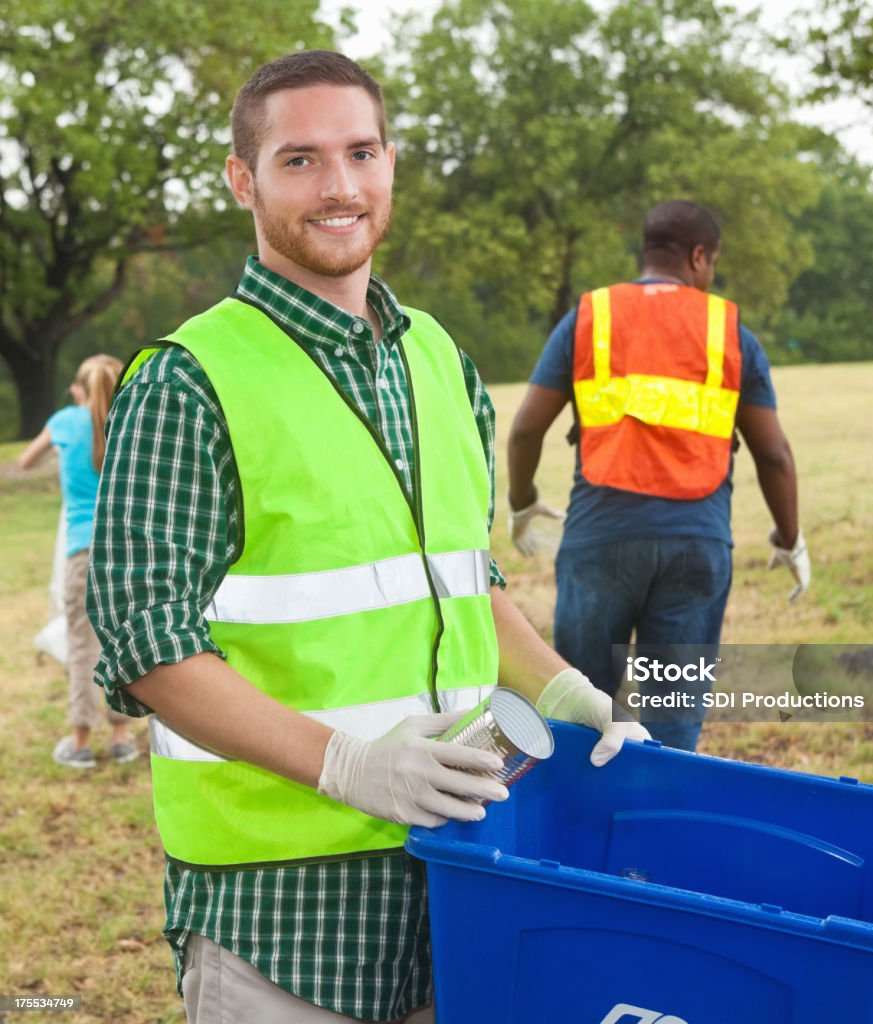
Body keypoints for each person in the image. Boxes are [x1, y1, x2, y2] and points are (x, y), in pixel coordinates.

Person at [86, 50, 648, 1024]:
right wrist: (351, 764)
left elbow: (463, 579)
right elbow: (144, 647)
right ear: (242, 181)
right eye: (299, 160)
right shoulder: (187, 380)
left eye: (360, 152)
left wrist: (567, 696)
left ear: (390, 162)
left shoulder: (439, 358)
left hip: (464, 875)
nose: (339, 186)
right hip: (281, 915)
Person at [507, 200, 810, 752]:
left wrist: (523, 501)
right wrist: (791, 539)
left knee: (579, 712)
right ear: (698, 257)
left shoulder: (589, 317)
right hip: (697, 546)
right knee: (674, 721)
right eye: (712, 262)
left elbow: (526, 430)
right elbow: (775, 456)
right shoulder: (729, 328)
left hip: (599, 541)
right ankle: (663, 826)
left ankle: (576, 832)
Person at [19, 355, 137, 769]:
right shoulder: (129, 418)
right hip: (125, 553)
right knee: (120, 642)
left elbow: (25, 461)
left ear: (79, 389)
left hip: (82, 553)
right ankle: (122, 736)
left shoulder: (66, 421)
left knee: (82, 644)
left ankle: (81, 742)